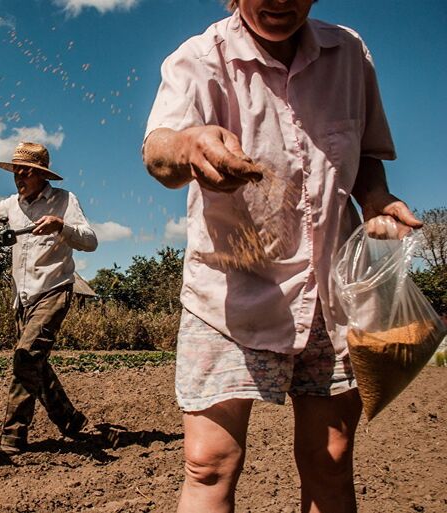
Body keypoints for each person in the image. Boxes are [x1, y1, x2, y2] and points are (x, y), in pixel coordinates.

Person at [142, 1, 422, 512]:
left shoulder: (349, 54)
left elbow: (365, 155)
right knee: (209, 464)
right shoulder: (201, 58)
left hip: (331, 296)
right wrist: (190, 145)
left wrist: (376, 197)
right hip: (229, 292)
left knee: (331, 460)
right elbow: (158, 150)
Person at [0, 141, 98, 454]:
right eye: (15, 170)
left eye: (26, 171)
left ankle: (13, 436)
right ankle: (70, 420)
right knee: (34, 363)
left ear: (41, 174)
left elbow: (90, 241)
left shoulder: (63, 200)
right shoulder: (13, 205)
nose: (18, 176)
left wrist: (61, 226)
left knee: (26, 356)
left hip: (53, 288)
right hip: (22, 298)